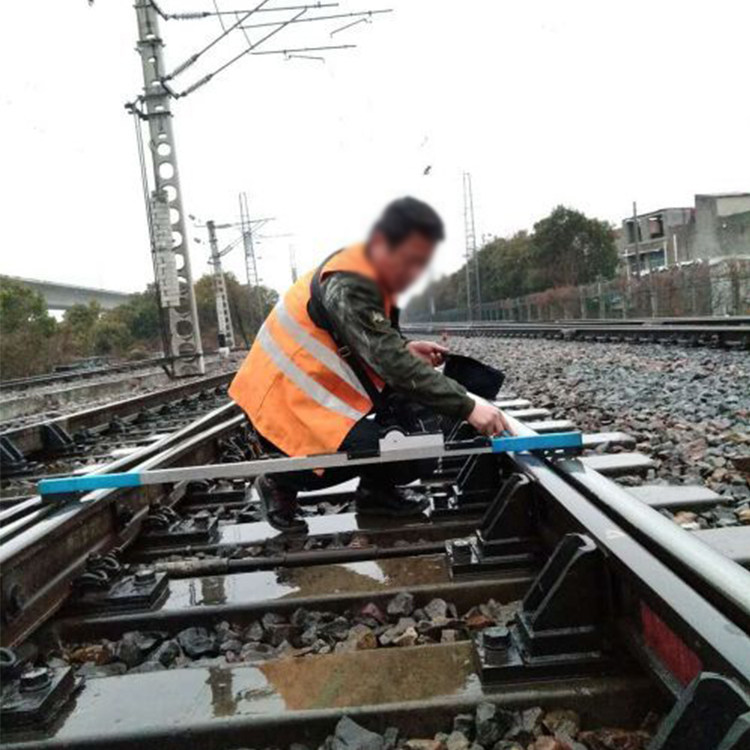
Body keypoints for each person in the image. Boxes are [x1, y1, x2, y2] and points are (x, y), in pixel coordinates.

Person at [229, 197, 510, 531]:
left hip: (309, 397)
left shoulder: (372, 274)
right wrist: (468, 406)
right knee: (390, 447)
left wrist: (407, 348)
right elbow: (390, 362)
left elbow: (374, 340)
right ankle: (279, 480)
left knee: (413, 431)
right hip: (283, 403)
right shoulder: (352, 282)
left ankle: (377, 493)